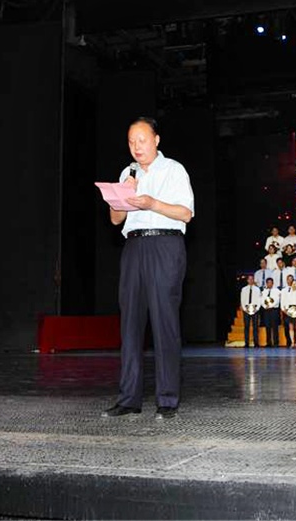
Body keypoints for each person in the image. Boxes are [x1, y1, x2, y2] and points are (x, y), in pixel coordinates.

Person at [103, 117, 194, 421]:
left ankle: (167, 399)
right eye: (131, 142)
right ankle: (129, 398)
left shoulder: (174, 170)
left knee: (163, 321)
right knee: (130, 323)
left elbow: (186, 213)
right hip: (133, 247)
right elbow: (115, 219)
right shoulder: (127, 173)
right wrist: (121, 196)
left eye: (142, 140)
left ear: (156, 140)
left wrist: (152, 203)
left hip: (165, 244)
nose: (136, 147)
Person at [240, 274, 262, 349]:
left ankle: (256, 343)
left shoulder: (257, 289)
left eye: (252, 279)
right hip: (246, 310)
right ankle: (246, 343)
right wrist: (244, 308)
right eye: (249, 279)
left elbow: (259, 299)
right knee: (246, 327)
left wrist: (257, 308)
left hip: (255, 310)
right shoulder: (244, 289)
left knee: (255, 326)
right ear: (247, 280)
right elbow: (242, 299)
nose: (251, 280)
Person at [282, 279, 296, 348]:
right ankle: (292, 342)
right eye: (293, 284)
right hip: (290, 310)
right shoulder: (288, 293)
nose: (294, 285)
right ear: (291, 284)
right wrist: (286, 310)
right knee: (291, 327)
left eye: (295, 284)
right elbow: (285, 301)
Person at [260, 277, 281, 348]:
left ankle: (276, 342)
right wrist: (264, 306)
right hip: (266, 310)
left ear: (273, 283)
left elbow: (277, 300)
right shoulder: (264, 291)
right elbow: (261, 300)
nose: (269, 284)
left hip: (274, 310)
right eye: (268, 283)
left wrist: (271, 306)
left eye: (271, 283)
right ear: (266, 283)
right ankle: (268, 342)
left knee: (275, 326)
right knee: (267, 326)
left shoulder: (277, 291)